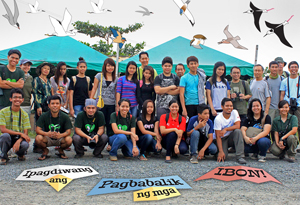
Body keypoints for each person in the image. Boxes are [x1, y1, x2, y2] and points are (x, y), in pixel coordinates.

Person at [35, 95, 73, 160]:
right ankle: (45, 151)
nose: (55, 105)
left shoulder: (65, 116)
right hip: (47, 137)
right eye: (52, 103)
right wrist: (47, 134)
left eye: (57, 103)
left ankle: (61, 150)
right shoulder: (44, 115)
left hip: (60, 137)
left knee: (69, 139)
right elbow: (38, 130)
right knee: (38, 138)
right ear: (49, 105)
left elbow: (68, 131)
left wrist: (61, 135)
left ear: (60, 105)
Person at [0, 89, 31, 165]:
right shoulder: (3, 112)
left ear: (22, 100)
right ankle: (4, 155)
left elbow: (25, 133)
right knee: (5, 136)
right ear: (10, 99)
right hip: (8, 137)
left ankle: (20, 154)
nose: (17, 99)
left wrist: (19, 140)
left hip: (18, 138)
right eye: (15, 97)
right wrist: (20, 133)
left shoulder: (24, 114)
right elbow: (3, 129)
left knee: (25, 144)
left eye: (20, 97)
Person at [90, 58, 118, 136]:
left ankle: (109, 142)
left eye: (112, 66)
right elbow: (94, 88)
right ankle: (97, 140)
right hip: (100, 104)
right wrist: (91, 101)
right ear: (105, 66)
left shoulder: (116, 78)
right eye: (108, 66)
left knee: (110, 123)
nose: (110, 68)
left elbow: (116, 92)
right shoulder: (99, 76)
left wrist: (117, 104)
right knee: (99, 123)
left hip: (111, 104)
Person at [214, 98, 247, 164]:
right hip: (222, 138)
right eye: (227, 106)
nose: (229, 108)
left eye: (231, 106)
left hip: (231, 136)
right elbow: (218, 136)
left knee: (238, 131)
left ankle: (240, 156)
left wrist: (225, 129)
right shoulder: (218, 119)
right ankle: (218, 152)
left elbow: (237, 126)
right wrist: (221, 151)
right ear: (222, 107)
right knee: (223, 157)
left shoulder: (234, 112)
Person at [280, 61, 300, 135]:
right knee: (288, 126)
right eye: (292, 67)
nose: (293, 69)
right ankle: (290, 143)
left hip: (299, 106)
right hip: (287, 106)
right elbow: (282, 94)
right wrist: (281, 107)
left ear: (298, 68)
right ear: (288, 69)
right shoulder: (284, 81)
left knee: (299, 126)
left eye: (295, 67)